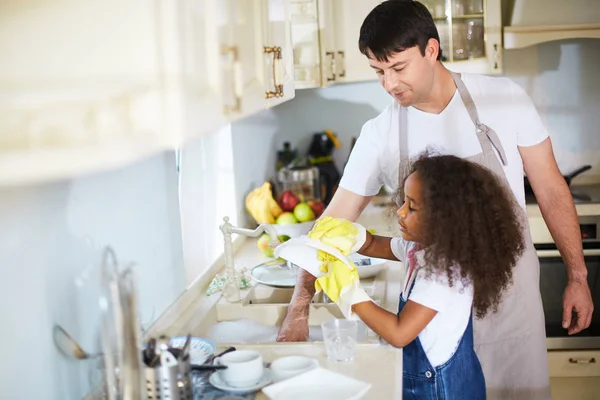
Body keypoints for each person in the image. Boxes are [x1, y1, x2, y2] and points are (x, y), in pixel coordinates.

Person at [276, 1, 594, 399]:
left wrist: (577, 276)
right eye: (379, 71)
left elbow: (550, 188)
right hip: (435, 324)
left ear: (431, 49)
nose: (389, 85)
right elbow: (332, 225)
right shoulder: (381, 133)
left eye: (398, 68)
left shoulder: (503, 98)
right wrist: (298, 308)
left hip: (511, 305)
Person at [310, 153, 525, 399]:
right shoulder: (421, 247)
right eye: (404, 202)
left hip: (439, 390)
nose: (401, 212)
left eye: (412, 206)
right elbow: (373, 245)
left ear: (445, 220)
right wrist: (349, 234)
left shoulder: (444, 273)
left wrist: (350, 293)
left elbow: (399, 333)